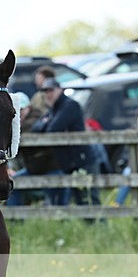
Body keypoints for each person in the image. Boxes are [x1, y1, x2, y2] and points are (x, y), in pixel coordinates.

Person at [29, 78, 96, 206]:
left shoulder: (69, 105)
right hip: (69, 161)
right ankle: (89, 225)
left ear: (60, 90)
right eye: (46, 91)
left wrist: (47, 123)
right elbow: (35, 128)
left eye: (51, 90)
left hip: (81, 159)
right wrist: (48, 123)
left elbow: (53, 129)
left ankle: (99, 225)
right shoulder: (55, 108)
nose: (48, 94)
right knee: (79, 198)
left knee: (89, 198)